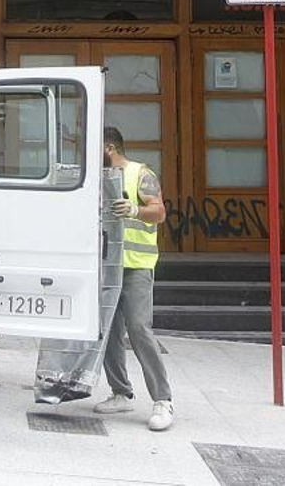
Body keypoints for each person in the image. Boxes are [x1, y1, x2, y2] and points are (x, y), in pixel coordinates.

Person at [95, 127, 173, 431]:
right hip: (107, 266)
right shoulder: (96, 178)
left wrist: (134, 210)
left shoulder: (141, 174)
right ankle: (121, 392)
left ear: (110, 147)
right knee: (108, 331)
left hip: (136, 266)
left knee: (139, 328)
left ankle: (163, 400)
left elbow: (160, 212)